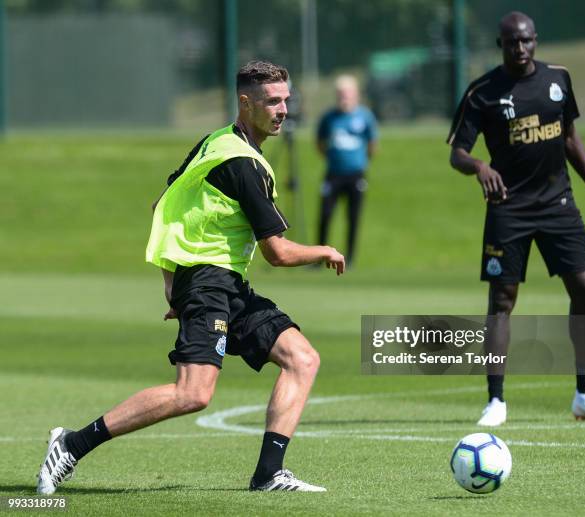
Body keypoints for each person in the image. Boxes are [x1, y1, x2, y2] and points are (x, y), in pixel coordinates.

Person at [37, 61, 345, 494]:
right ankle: (71, 443)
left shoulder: (215, 142)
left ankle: (268, 474)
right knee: (193, 393)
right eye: (272, 101)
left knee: (302, 359)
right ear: (245, 102)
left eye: (286, 100)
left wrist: (170, 279)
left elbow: (163, 205)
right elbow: (278, 253)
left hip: (223, 282)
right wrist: (325, 250)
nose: (282, 110)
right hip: (208, 282)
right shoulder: (242, 164)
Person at [447, 12, 585, 426]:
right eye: (511, 43)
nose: (519, 49)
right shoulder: (482, 92)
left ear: (535, 41)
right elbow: (458, 153)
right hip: (509, 207)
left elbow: (570, 138)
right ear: (500, 45)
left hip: (559, 203)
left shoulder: (558, 80)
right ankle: (496, 401)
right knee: (502, 301)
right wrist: (480, 167)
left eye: (525, 41)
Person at [316, 75, 378, 267]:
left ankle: (349, 258)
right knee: (325, 214)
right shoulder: (329, 118)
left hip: (355, 175)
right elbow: (320, 143)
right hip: (333, 174)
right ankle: (319, 257)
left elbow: (372, 144)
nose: (344, 97)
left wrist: (362, 162)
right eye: (340, 94)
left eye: (347, 93)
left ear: (355, 94)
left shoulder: (364, 116)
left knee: (353, 217)